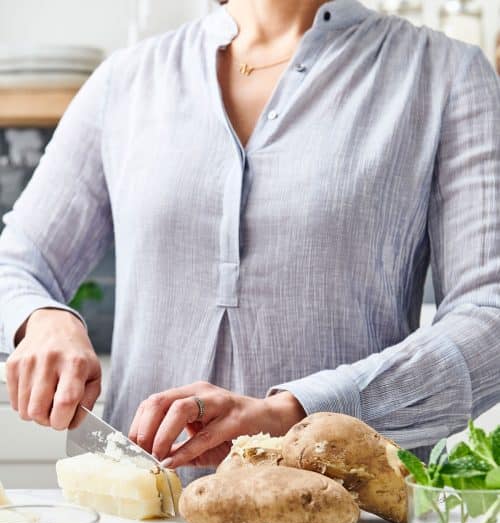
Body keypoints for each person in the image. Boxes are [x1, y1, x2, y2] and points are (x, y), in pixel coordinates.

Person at [1, 0, 499, 485]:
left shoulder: (447, 75)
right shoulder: (127, 82)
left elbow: (489, 316)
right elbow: (17, 263)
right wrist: (41, 321)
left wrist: (299, 413)